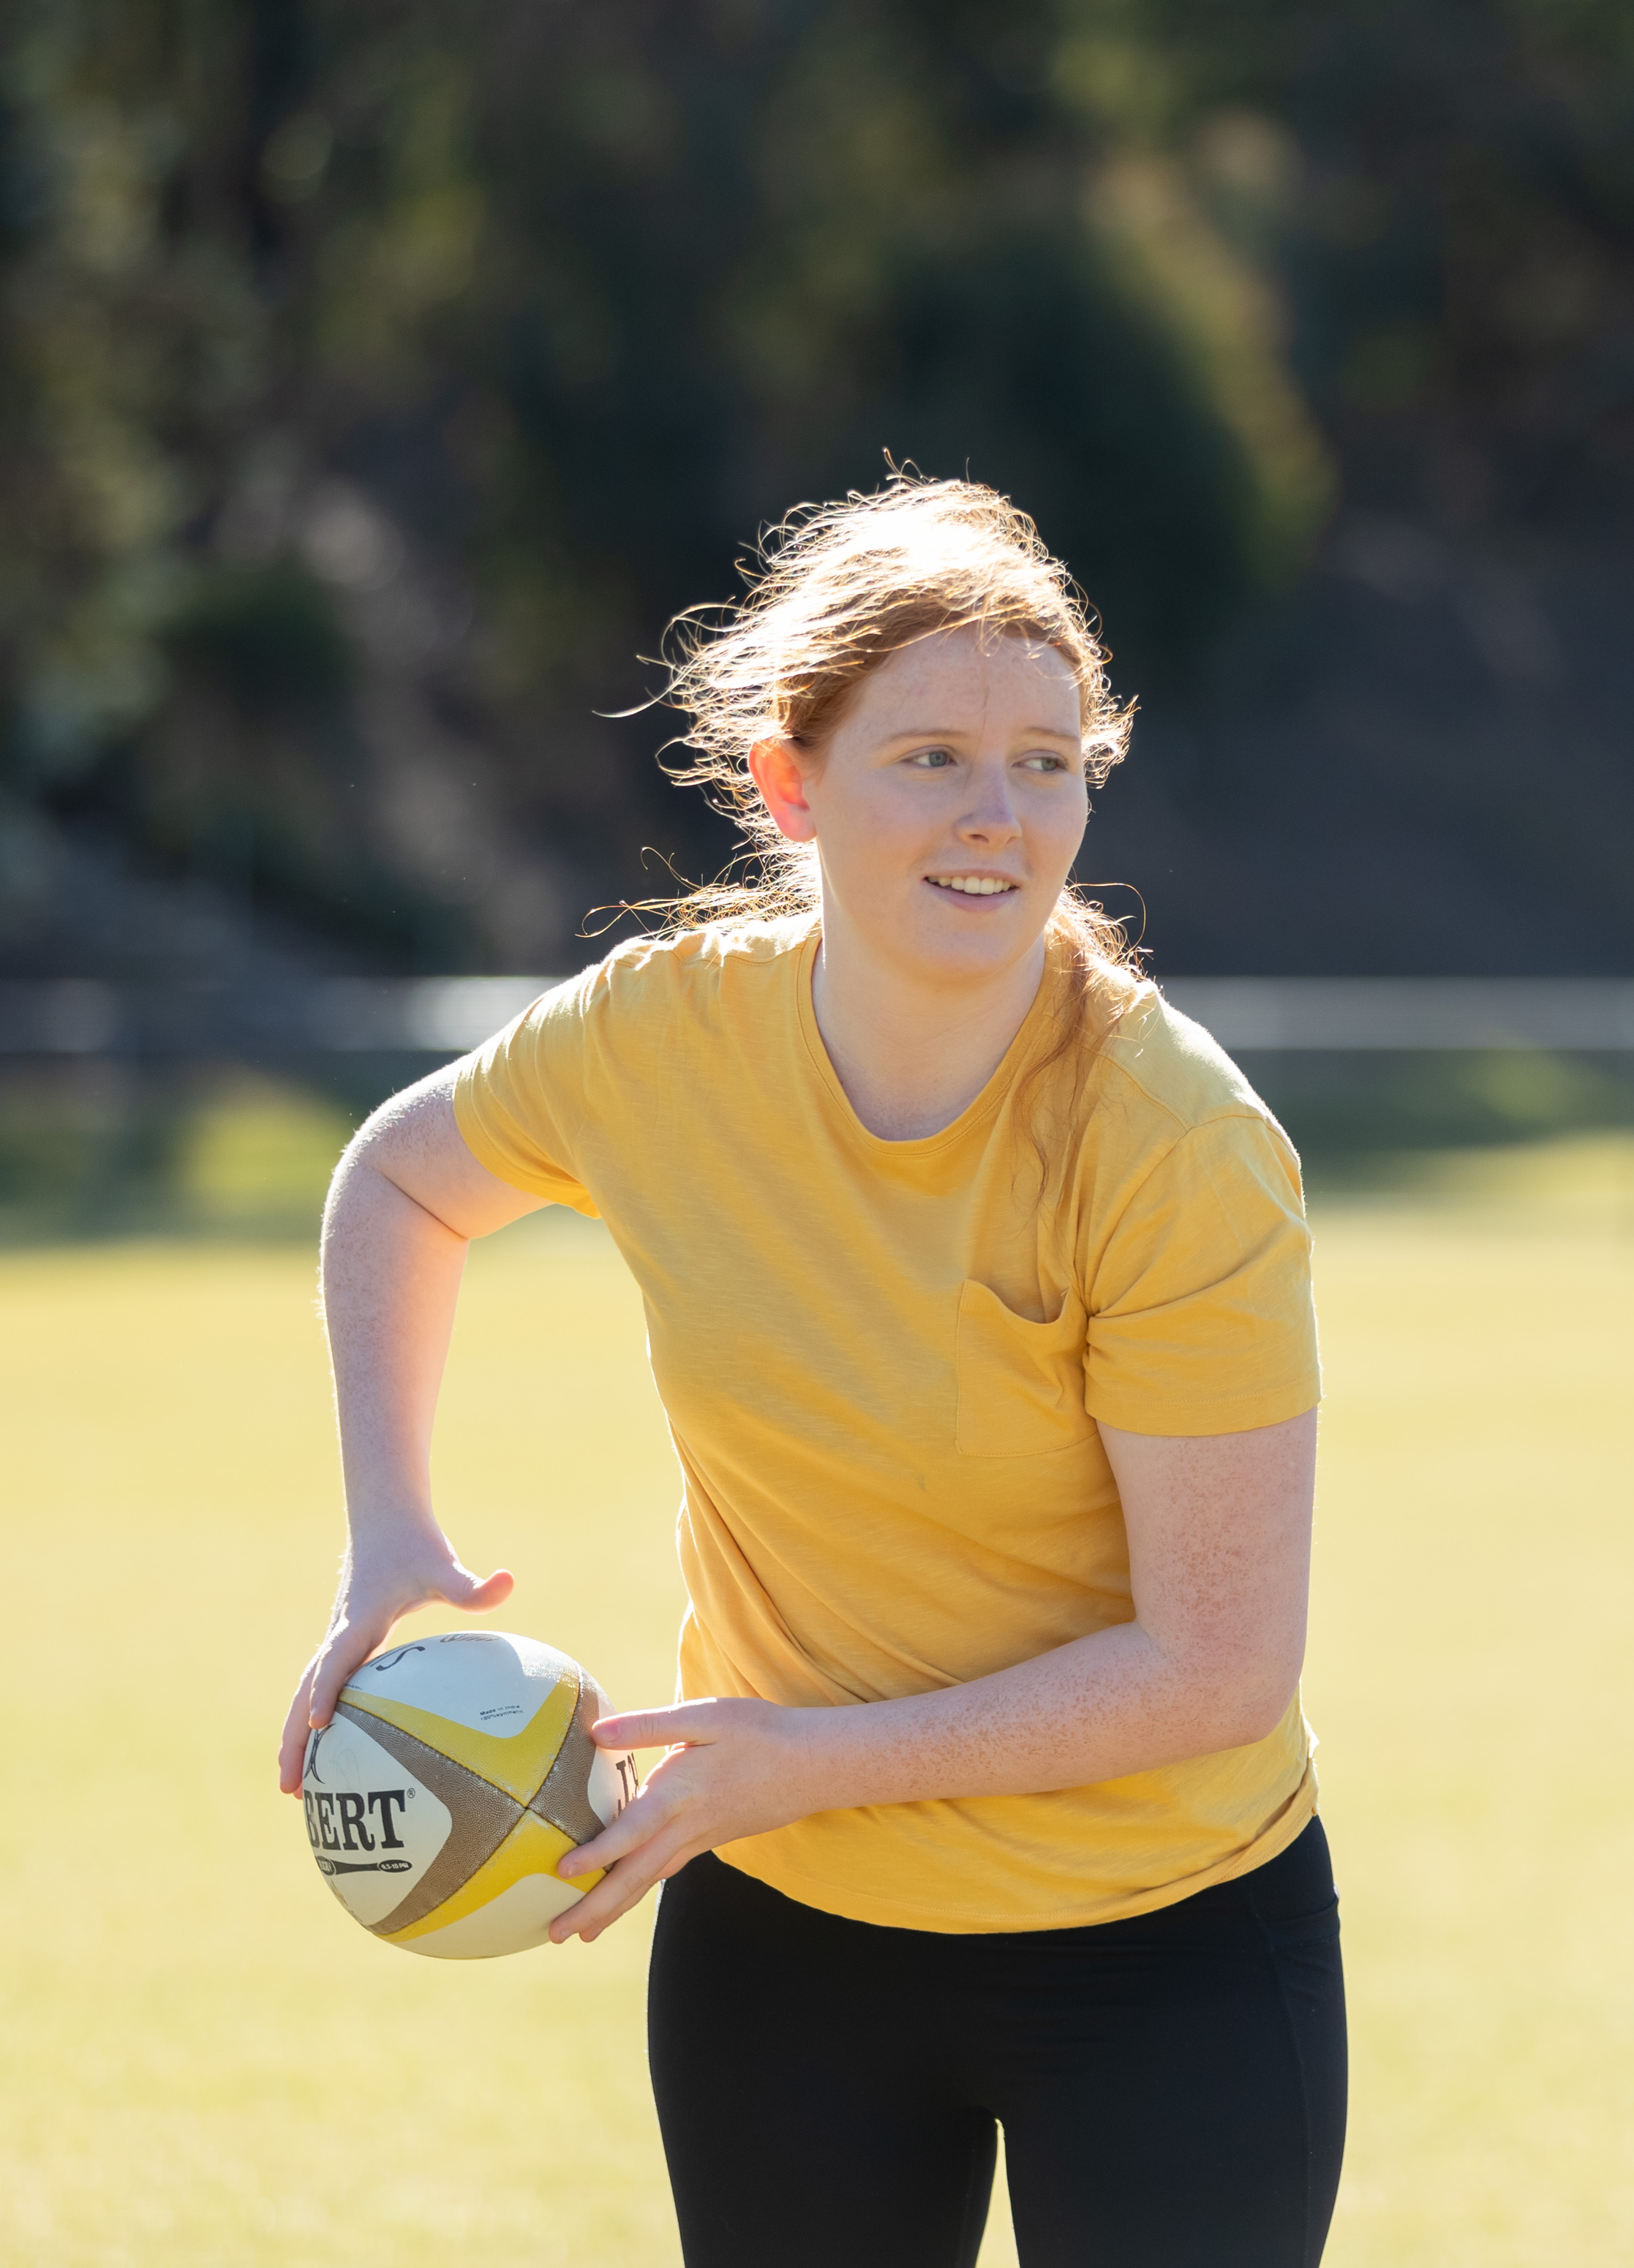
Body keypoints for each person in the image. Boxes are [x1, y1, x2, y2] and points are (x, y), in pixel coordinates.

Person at [274, 476, 1341, 2268]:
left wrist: (810, 1760)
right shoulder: (662, 1038)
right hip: (787, 1947)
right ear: (792, 785)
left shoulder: (1174, 1144)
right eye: (929, 757)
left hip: (1163, 1953)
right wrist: (391, 1530)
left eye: (1047, 762)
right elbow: (400, 1174)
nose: (998, 817)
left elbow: (1218, 1666)